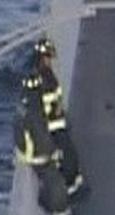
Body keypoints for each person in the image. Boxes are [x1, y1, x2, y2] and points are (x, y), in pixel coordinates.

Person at [33, 38, 88, 201]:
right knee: (66, 157)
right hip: (52, 126)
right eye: (48, 57)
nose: (50, 60)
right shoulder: (43, 79)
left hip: (55, 123)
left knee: (68, 155)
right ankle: (67, 190)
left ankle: (71, 184)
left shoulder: (45, 76)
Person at [14, 73, 70, 215]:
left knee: (49, 179)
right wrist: (52, 151)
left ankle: (53, 205)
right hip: (40, 155)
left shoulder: (24, 108)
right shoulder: (34, 110)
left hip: (33, 154)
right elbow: (41, 135)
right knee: (54, 181)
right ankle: (60, 214)